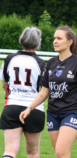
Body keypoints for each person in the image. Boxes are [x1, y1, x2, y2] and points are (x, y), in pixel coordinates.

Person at [19, 26, 77, 158]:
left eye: (59, 38)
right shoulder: (51, 63)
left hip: (73, 112)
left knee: (60, 152)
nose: (55, 41)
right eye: (54, 38)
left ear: (69, 42)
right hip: (53, 113)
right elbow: (44, 91)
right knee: (61, 154)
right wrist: (30, 108)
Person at [0, 27, 46, 158]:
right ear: (38, 43)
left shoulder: (9, 59)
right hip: (34, 109)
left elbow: (4, 84)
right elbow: (44, 89)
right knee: (33, 152)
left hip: (11, 107)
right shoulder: (41, 63)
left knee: (9, 151)